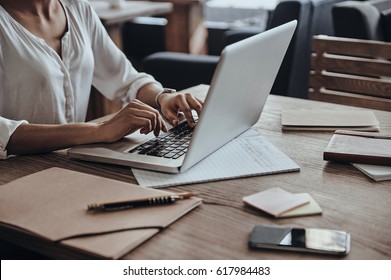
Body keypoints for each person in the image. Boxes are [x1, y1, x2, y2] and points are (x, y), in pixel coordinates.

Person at [0, 0, 203, 159]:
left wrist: (162, 97)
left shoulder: (79, 8)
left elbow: (126, 78)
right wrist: (98, 131)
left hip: (70, 161)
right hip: (16, 170)